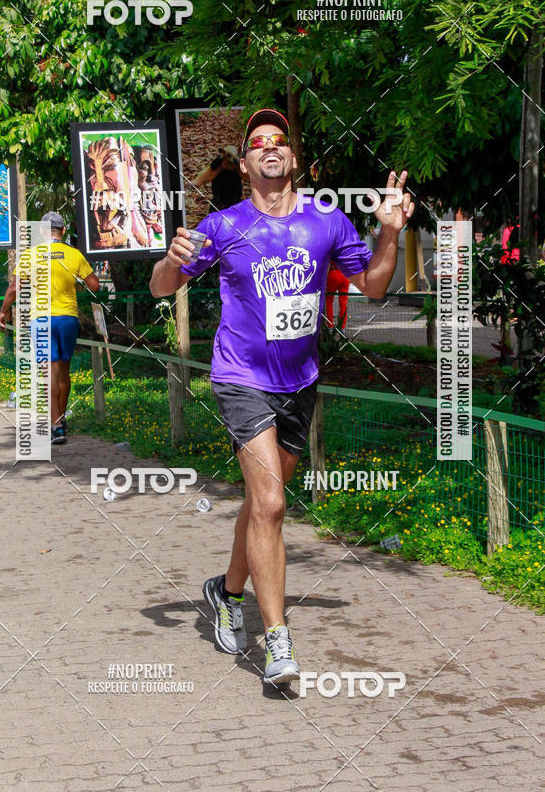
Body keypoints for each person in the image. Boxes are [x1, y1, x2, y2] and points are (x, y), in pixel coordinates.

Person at [150, 108, 413, 685]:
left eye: (279, 141)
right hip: (240, 376)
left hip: (299, 380)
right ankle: (277, 643)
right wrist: (170, 262)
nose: (269, 148)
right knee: (271, 505)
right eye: (257, 143)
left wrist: (389, 233)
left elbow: (371, 286)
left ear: (292, 158)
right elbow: (164, 287)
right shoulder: (223, 225)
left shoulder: (326, 221)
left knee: (261, 501)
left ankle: (225, 590)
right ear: (245, 165)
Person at [0, 212, 99, 444]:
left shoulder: (30, 256)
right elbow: (94, 284)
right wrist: (75, 281)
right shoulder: (74, 255)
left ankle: (55, 426)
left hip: (41, 318)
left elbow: (14, 289)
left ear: (42, 231)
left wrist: (4, 311)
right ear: (63, 231)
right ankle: (61, 419)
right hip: (68, 318)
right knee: (64, 369)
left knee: (48, 371)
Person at [193, 145, 242, 212]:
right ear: (223, 153)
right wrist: (197, 182)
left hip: (235, 197)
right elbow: (208, 174)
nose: (234, 159)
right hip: (219, 198)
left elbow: (246, 176)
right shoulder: (219, 164)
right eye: (229, 156)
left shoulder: (237, 165)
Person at [325, 261, 350, 331]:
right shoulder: (345, 252)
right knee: (343, 303)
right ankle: (342, 327)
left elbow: (328, 265)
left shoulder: (332, 251)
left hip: (333, 275)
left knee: (329, 301)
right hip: (345, 275)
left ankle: (330, 325)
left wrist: (325, 277)